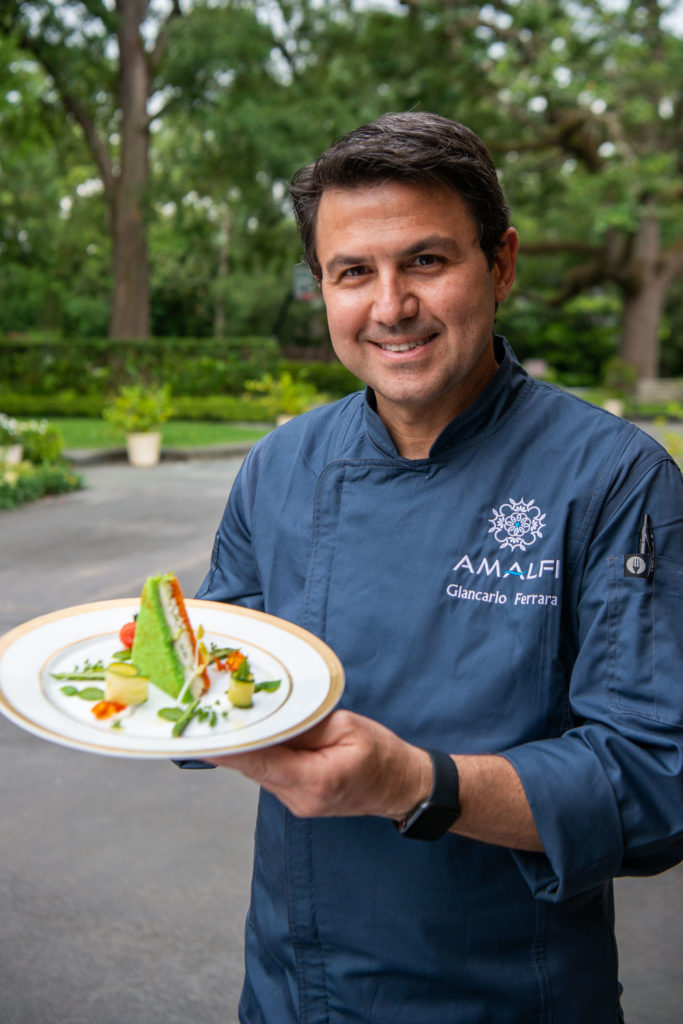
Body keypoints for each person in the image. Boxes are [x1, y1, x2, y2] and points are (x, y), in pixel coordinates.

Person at [193, 113, 683, 1023]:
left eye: (424, 260)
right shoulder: (280, 466)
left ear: (498, 264)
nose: (389, 306)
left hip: (506, 997)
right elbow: (213, 667)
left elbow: (653, 781)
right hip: (292, 989)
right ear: (323, 290)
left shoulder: (615, 477)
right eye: (352, 273)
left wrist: (411, 784)